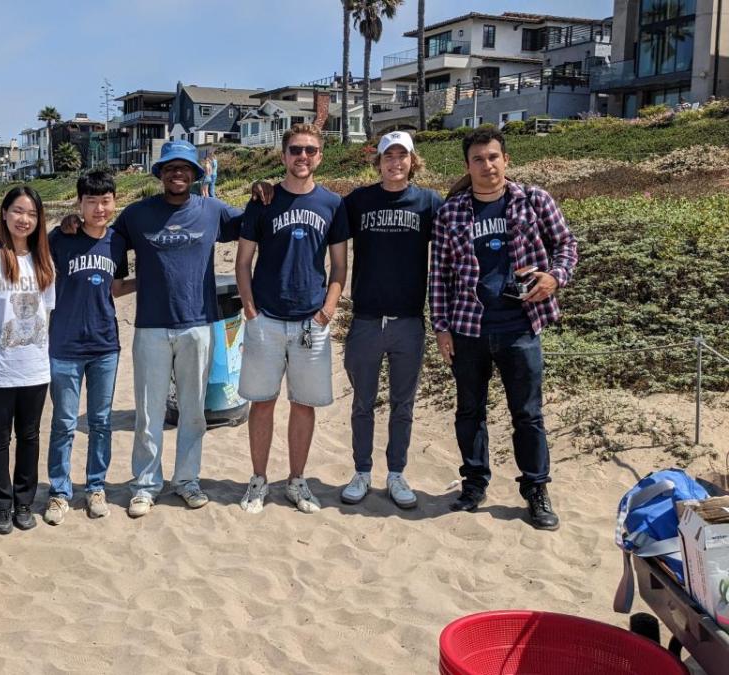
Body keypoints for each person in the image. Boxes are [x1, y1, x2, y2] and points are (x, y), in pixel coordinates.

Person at [429, 127, 578, 531]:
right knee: (469, 412)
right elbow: (439, 276)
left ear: (506, 160)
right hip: (468, 327)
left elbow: (567, 244)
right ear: (468, 165)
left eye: (493, 157)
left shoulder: (534, 200)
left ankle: (535, 490)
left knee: (527, 415)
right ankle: (474, 483)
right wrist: (440, 328)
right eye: (478, 159)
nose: (487, 165)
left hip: (521, 328)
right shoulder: (451, 212)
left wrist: (554, 277)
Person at [109, 140, 242, 518]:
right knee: (149, 414)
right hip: (151, 326)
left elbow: (256, 224)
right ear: (161, 173)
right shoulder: (136, 215)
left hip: (198, 325)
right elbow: (104, 239)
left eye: (184, 167)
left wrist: (266, 193)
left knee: (192, 412)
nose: (177, 173)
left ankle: (187, 480)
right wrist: (71, 225)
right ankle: (146, 484)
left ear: (196, 173)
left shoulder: (213, 211)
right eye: (170, 167)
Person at [235, 124, 349, 514]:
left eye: (311, 150)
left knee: (304, 404)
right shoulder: (263, 200)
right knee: (262, 403)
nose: (303, 156)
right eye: (296, 150)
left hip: (310, 322)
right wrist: (250, 309)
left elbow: (338, 266)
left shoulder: (332, 204)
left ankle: (297, 481)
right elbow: (243, 261)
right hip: (265, 318)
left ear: (320, 156)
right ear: (283, 155)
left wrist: (327, 310)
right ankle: (258, 480)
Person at [339, 131, 444, 509]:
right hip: (366, 319)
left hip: (408, 323)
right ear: (378, 161)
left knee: (403, 405)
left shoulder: (429, 202)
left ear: (413, 160)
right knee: (362, 403)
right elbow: (320, 218)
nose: (395, 162)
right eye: (389, 156)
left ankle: (396, 473)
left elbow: (461, 228)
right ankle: (362, 472)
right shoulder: (359, 201)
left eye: (403, 156)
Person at [42, 171, 131, 525]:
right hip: (63, 346)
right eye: (91, 201)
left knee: (100, 422)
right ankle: (59, 492)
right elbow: (29, 265)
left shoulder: (117, 242)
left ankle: (96, 487)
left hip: (105, 346)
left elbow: (116, 287)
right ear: (79, 203)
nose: (98, 207)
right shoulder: (60, 238)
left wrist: (150, 283)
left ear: (113, 202)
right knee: (64, 422)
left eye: (105, 200)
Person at [0, 186, 56, 534]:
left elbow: (46, 313)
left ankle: (25, 502)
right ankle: (1, 506)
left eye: (32, 214)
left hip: (35, 366)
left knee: (30, 436)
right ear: (4, 213)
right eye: (18, 211)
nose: (24, 219)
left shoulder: (43, 260)